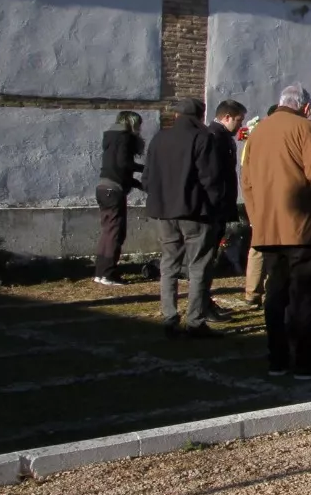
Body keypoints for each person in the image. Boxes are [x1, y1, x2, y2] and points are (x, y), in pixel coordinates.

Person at [242, 84, 311, 379]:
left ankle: (278, 358)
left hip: (269, 226)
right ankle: (306, 360)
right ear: (306, 107)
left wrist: (257, 217)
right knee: (304, 295)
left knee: (276, 292)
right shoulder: (304, 128)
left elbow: (246, 182)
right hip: (302, 226)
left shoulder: (258, 131)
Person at [145, 98, 225, 339]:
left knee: (169, 264)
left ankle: (169, 316)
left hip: (165, 211)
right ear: (199, 116)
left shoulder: (159, 138)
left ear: (177, 115)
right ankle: (195, 321)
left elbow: (147, 177)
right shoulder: (203, 138)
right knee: (198, 265)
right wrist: (214, 207)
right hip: (195, 212)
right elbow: (210, 179)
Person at [203, 100, 247, 317]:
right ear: (227, 117)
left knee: (209, 258)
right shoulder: (214, 137)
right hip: (214, 208)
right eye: (238, 120)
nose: (240, 125)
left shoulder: (222, 136)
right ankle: (202, 304)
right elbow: (212, 176)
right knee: (206, 259)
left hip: (219, 206)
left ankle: (205, 301)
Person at [94, 111, 145, 286]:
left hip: (103, 188)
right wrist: (144, 171)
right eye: (138, 125)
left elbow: (117, 166)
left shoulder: (111, 137)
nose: (140, 129)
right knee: (115, 233)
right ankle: (108, 274)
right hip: (114, 190)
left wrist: (137, 182)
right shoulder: (124, 138)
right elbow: (124, 164)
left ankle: (101, 272)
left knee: (108, 232)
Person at [240, 104, 280, 307]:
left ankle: (253, 291)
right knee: (267, 247)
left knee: (258, 246)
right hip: (269, 198)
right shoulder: (269, 139)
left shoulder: (256, 138)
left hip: (258, 198)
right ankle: (261, 290)